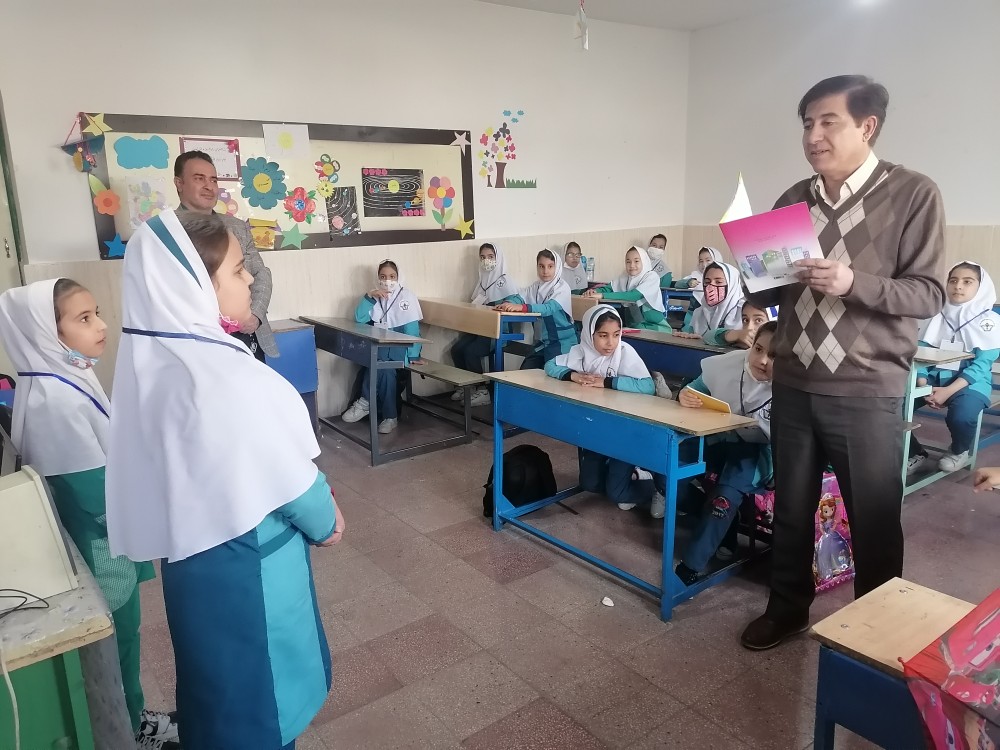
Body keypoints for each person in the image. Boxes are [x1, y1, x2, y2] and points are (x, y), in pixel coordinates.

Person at [106, 210, 345, 750]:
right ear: (196, 287)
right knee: (261, 708)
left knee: (217, 694)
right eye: (238, 271)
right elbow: (286, 476)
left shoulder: (161, 363)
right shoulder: (223, 377)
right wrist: (326, 520)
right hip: (249, 574)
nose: (250, 279)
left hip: (196, 572)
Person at [739, 75, 946, 651]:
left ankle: (878, 633)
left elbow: (929, 294)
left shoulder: (913, 194)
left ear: (867, 126)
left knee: (874, 518)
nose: (814, 135)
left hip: (868, 387)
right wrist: (753, 283)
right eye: (808, 123)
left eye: (828, 122)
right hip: (795, 381)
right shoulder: (792, 198)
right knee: (792, 509)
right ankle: (787, 609)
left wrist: (854, 282)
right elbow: (775, 291)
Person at [0, 279, 179, 750]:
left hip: (105, 539)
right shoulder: (54, 402)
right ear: (47, 332)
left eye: (96, 312)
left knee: (122, 640)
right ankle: (129, 730)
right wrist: (157, 509)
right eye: (83, 319)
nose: (101, 325)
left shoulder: (61, 378)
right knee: (116, 642)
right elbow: (93, 494)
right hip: (101, 547)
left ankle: (133, 716)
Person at [674, 322, 777, 585]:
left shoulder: (794, 388)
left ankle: (691, 566)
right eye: (758, 349)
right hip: (718, 438)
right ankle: (725, 526)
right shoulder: (728, 365)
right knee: (668, 471)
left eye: (775, 355)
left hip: (757, 453)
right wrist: (685, 396)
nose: (762, 360)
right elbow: (692, 390)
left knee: (723, 500)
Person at [546, 304, 665, 518]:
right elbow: (550, 366)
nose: (611, 343)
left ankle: (656, 486)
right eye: (603, 335)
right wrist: (573, 375)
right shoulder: (580, 352)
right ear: (589, 334)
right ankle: (626, 477)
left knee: (617, 494)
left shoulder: (624, 352)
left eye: (616, 335)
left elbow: (647, 386)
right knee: (589, 483)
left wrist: (607, 382)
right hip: (598, 429)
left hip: (625, 432)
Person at [174, 150, 276, 362]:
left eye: (213, 180)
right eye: (199, 178)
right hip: (200, 345)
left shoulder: (236, 227)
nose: (209, 186)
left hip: (248, 334)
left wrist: (254, 314)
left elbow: (260, 273)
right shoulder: (168, 232)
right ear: (179, 183)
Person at [906, 262, 1000, 474]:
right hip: (933, 378)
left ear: (981, 287)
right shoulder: (936, 315)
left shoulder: (991, 322)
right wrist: (923, 383)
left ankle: (959, 450)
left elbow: (981, 365)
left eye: (967, 282)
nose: (958, 286)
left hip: (970, 382)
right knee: (892, 406)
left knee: (962, 416)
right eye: (953, 280)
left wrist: (947, 391)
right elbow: (920, 352)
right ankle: (914, 452)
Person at [342, 260, 423, 434]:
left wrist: (414, 355)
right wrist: (369, 296)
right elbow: (359, 319)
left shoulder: (406, 296)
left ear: (399, 277)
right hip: (381, 346)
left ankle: (365, 401)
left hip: (400, 347)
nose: (388, 281)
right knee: (384, 369)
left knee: (379, 363)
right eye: (383, 277)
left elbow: (412, 331)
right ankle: (390, 417)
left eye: (392, 276)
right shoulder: (375, 297)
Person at [450, 242, 523, 406]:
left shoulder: (505, 281)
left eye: (490, 257)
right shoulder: (482, 281)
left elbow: (514, 306)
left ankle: (482, 390)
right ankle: (468, 387)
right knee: (456, 349)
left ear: (498, 258)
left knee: (471, 351)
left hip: (498, 332)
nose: (486, 261)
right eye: (482, 257)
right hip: (480, 329)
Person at [497, 248, 576, 369]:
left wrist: (522, 307)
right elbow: (520, 297)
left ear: (557, 267)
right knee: (526, 370)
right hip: (543, 342)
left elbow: (548, 308)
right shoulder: (537, 286)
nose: (545, 271)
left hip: (562, 342)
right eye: (541, 266)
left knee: (552, 372)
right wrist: (508, 303)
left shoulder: (562, 287)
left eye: (550, 266)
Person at [583, 246, 671, 332]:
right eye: (628, 262)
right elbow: (609, 288)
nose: (632, 265)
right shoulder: (625, 277)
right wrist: (594, 292)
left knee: (657, 333)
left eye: (636, 261)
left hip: (653, 323)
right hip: (633, 322)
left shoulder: (651, 276)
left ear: (644, 261)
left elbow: (634, 295)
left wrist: (602, 295)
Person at [680, 261, 745, 337]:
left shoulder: (744, 312)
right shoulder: (699, 313)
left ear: (732, 284)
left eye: (718, 282)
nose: (711, 286)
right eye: (707, 282)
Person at [703, 300, 776, 349]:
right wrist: (736, 335)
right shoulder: (743, 342)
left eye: (758, 320)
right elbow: (708, 336)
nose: (749, 327)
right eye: (745, 320)